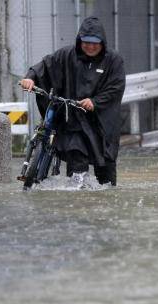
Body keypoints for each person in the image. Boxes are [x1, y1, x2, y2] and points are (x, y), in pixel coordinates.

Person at [20, 16, 126, 186]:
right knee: (76, 156)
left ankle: (107, 200)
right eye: (86, 42)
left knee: (106, 171)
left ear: (102, 42)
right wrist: (30, 78)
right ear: (79, 41)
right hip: (74, 119)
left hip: (101, 121)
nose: (90, 47)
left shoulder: (113, 60)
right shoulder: (67, 55)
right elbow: (45, 65)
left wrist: (95, 101)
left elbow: (116, 87)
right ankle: (77, 194)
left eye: (95, 43)